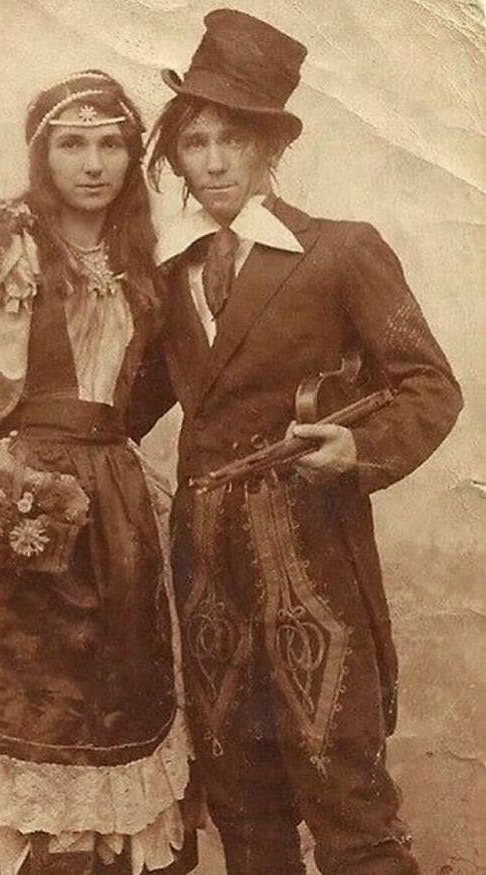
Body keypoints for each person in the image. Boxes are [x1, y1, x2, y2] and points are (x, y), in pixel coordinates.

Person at [128, 10, 463, 875]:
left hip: (310, 558)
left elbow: (431, 384)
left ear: (270, 148)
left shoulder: (341, 252)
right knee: (241, 800)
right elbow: (122, 409)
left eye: (232, 141)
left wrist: (359, 450)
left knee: (347, 794)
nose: (211, 163)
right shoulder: (170, 273)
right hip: (204, 565)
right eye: (194, 141)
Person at [0, 70, 197, 875]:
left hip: (119, 514)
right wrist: (23, 487)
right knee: (16, 701)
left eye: (112, 143)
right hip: (23, 505)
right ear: (42, 154)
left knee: (110, 710)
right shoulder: (8, 245)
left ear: (132, 156)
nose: (94, 163)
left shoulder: (142, 260)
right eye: (72, 144)